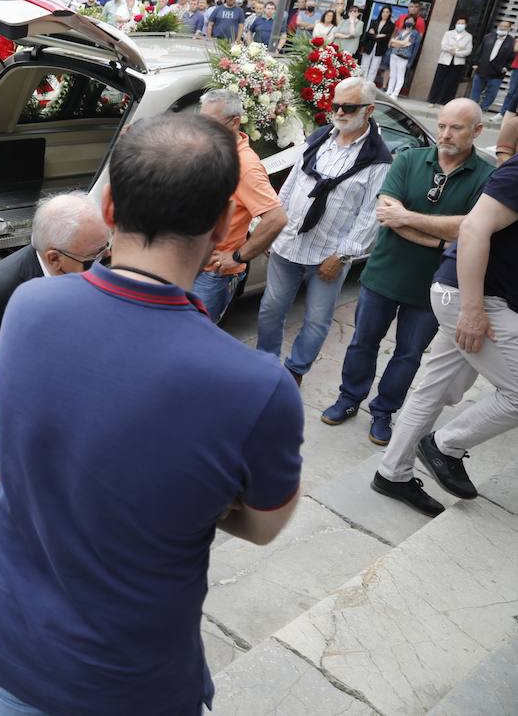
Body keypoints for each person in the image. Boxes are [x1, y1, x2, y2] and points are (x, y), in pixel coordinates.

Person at [0, 113, 303, 715]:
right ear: (226, 223)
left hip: (11, 653)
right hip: (131, 683)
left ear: (112, 209)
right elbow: (262, 525)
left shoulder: (28, 307)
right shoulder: (257, 387)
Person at [0, 194, 109, 624]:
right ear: (54, 256)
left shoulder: (80, 273)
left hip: (52, 429)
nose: (101, 266)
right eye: (92, 258)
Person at [319, 99, 492, 446]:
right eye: (442, 125)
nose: (445, 134)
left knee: (409, 354)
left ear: (477, 131)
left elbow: (471, 228)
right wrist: (440, 238)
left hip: (434, 287)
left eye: (455, 128)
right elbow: (387, 213)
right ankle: (349, 398)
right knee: (362, 343)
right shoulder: (410, 158)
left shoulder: (487, 175)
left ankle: (383, 411)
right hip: (383, 274)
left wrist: (409, 219)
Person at [372, 153, 518, 516]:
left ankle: (392, 473)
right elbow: (471, 229)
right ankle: (445, 446)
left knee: (434, 386)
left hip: (477, 297)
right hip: (474, 298)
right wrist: (471, 309)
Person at [257, 78, 392, 385]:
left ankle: (295, 371)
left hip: (329, 254)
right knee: (270, 309)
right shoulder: (319, 137)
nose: (340, 112)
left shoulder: (378, 158)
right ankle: (265, 364)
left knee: (317, 320)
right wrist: (272, 226)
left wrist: (343, 255)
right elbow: (292, 183)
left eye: (349, 107)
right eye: (336, 105)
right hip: (289, 242)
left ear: (369, 110)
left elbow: (370, 215)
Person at [192, 90, 288, 323]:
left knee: (194, 343)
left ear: (234, 122)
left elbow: (276, 218)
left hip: (210, 275)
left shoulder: (244, 166)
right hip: (190, 265)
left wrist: (237, 256)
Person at [468, 20, 514, 114]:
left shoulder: (511, 42)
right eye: (501, 26)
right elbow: (479, 51)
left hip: (497, 73)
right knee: (475, 91)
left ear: (509, 29)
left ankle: (483, 110)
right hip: (482, 69)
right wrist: (475, 63)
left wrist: (506, 68)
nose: (502, 28)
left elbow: (512, 58)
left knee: (491, 94)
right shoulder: (488, 37)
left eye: (505, 27)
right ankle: (471, 109)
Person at [429, 17, 474, 105]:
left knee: (451, 83)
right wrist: (452, 49)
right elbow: (443, 46)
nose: (460, 25)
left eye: (462, 24)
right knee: (438, 80)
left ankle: (445, 102)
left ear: (466, 25)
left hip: (458, 62)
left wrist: (457, 53)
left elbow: (468, 50)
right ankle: (432, 100)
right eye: (459, 23)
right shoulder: (448, 33)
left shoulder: (468, 36)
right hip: (445, 60)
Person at [386, 15, 421, 97]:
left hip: (404, 56)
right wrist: (400, 43)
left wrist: (398, 42)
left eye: (411, 20)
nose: (409, 22)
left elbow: (408, 44)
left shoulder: (415, 33)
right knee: (392, 74)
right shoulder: (400, 31)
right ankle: (389, 91)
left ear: (414, 23)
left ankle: (395, 93)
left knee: (400, 75)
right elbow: (392, 43)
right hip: (394, 54)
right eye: (408, 20)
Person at [359, 6, 394, 85]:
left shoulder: (391, 25)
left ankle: (369, 85)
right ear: (381, 13)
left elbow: (386, 38)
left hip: (380, 48)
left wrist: (374, 35)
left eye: (387, 12)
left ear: (390, 14)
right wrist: (378, 36)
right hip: (369, 47)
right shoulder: (374, 21)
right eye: (383, 11)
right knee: (364, 65)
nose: (385, 14)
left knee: (374, 67)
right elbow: (368, 35)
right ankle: (361, 83)